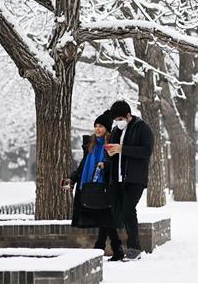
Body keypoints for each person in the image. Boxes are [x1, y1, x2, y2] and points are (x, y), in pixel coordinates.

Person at [64, 113, 120, 258]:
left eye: (100, 126)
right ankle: (112, 248)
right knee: (105, 218)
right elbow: (83, 165)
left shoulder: (112, 144)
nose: (97, 129)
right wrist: (72, 179)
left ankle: (102, 248)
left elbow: (115, 164)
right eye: (96, 126)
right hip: (90, 186)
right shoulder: (91, 145)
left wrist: (105, 165)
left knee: (106, 216)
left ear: (107, 128)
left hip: (106, 186)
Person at [105, 101, 153, 262]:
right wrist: (110, 153)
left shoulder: (142, 128)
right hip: (117, 178)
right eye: (115, 120)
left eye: (120, 118)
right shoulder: (115, 130)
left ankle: (134, 248)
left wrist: (122, 149)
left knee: (128, 210)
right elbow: (114, 151)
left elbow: (147, 151)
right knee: (118, 213)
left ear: (128, 115)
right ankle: (118, 250)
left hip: (135, 178)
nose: (118, 122)